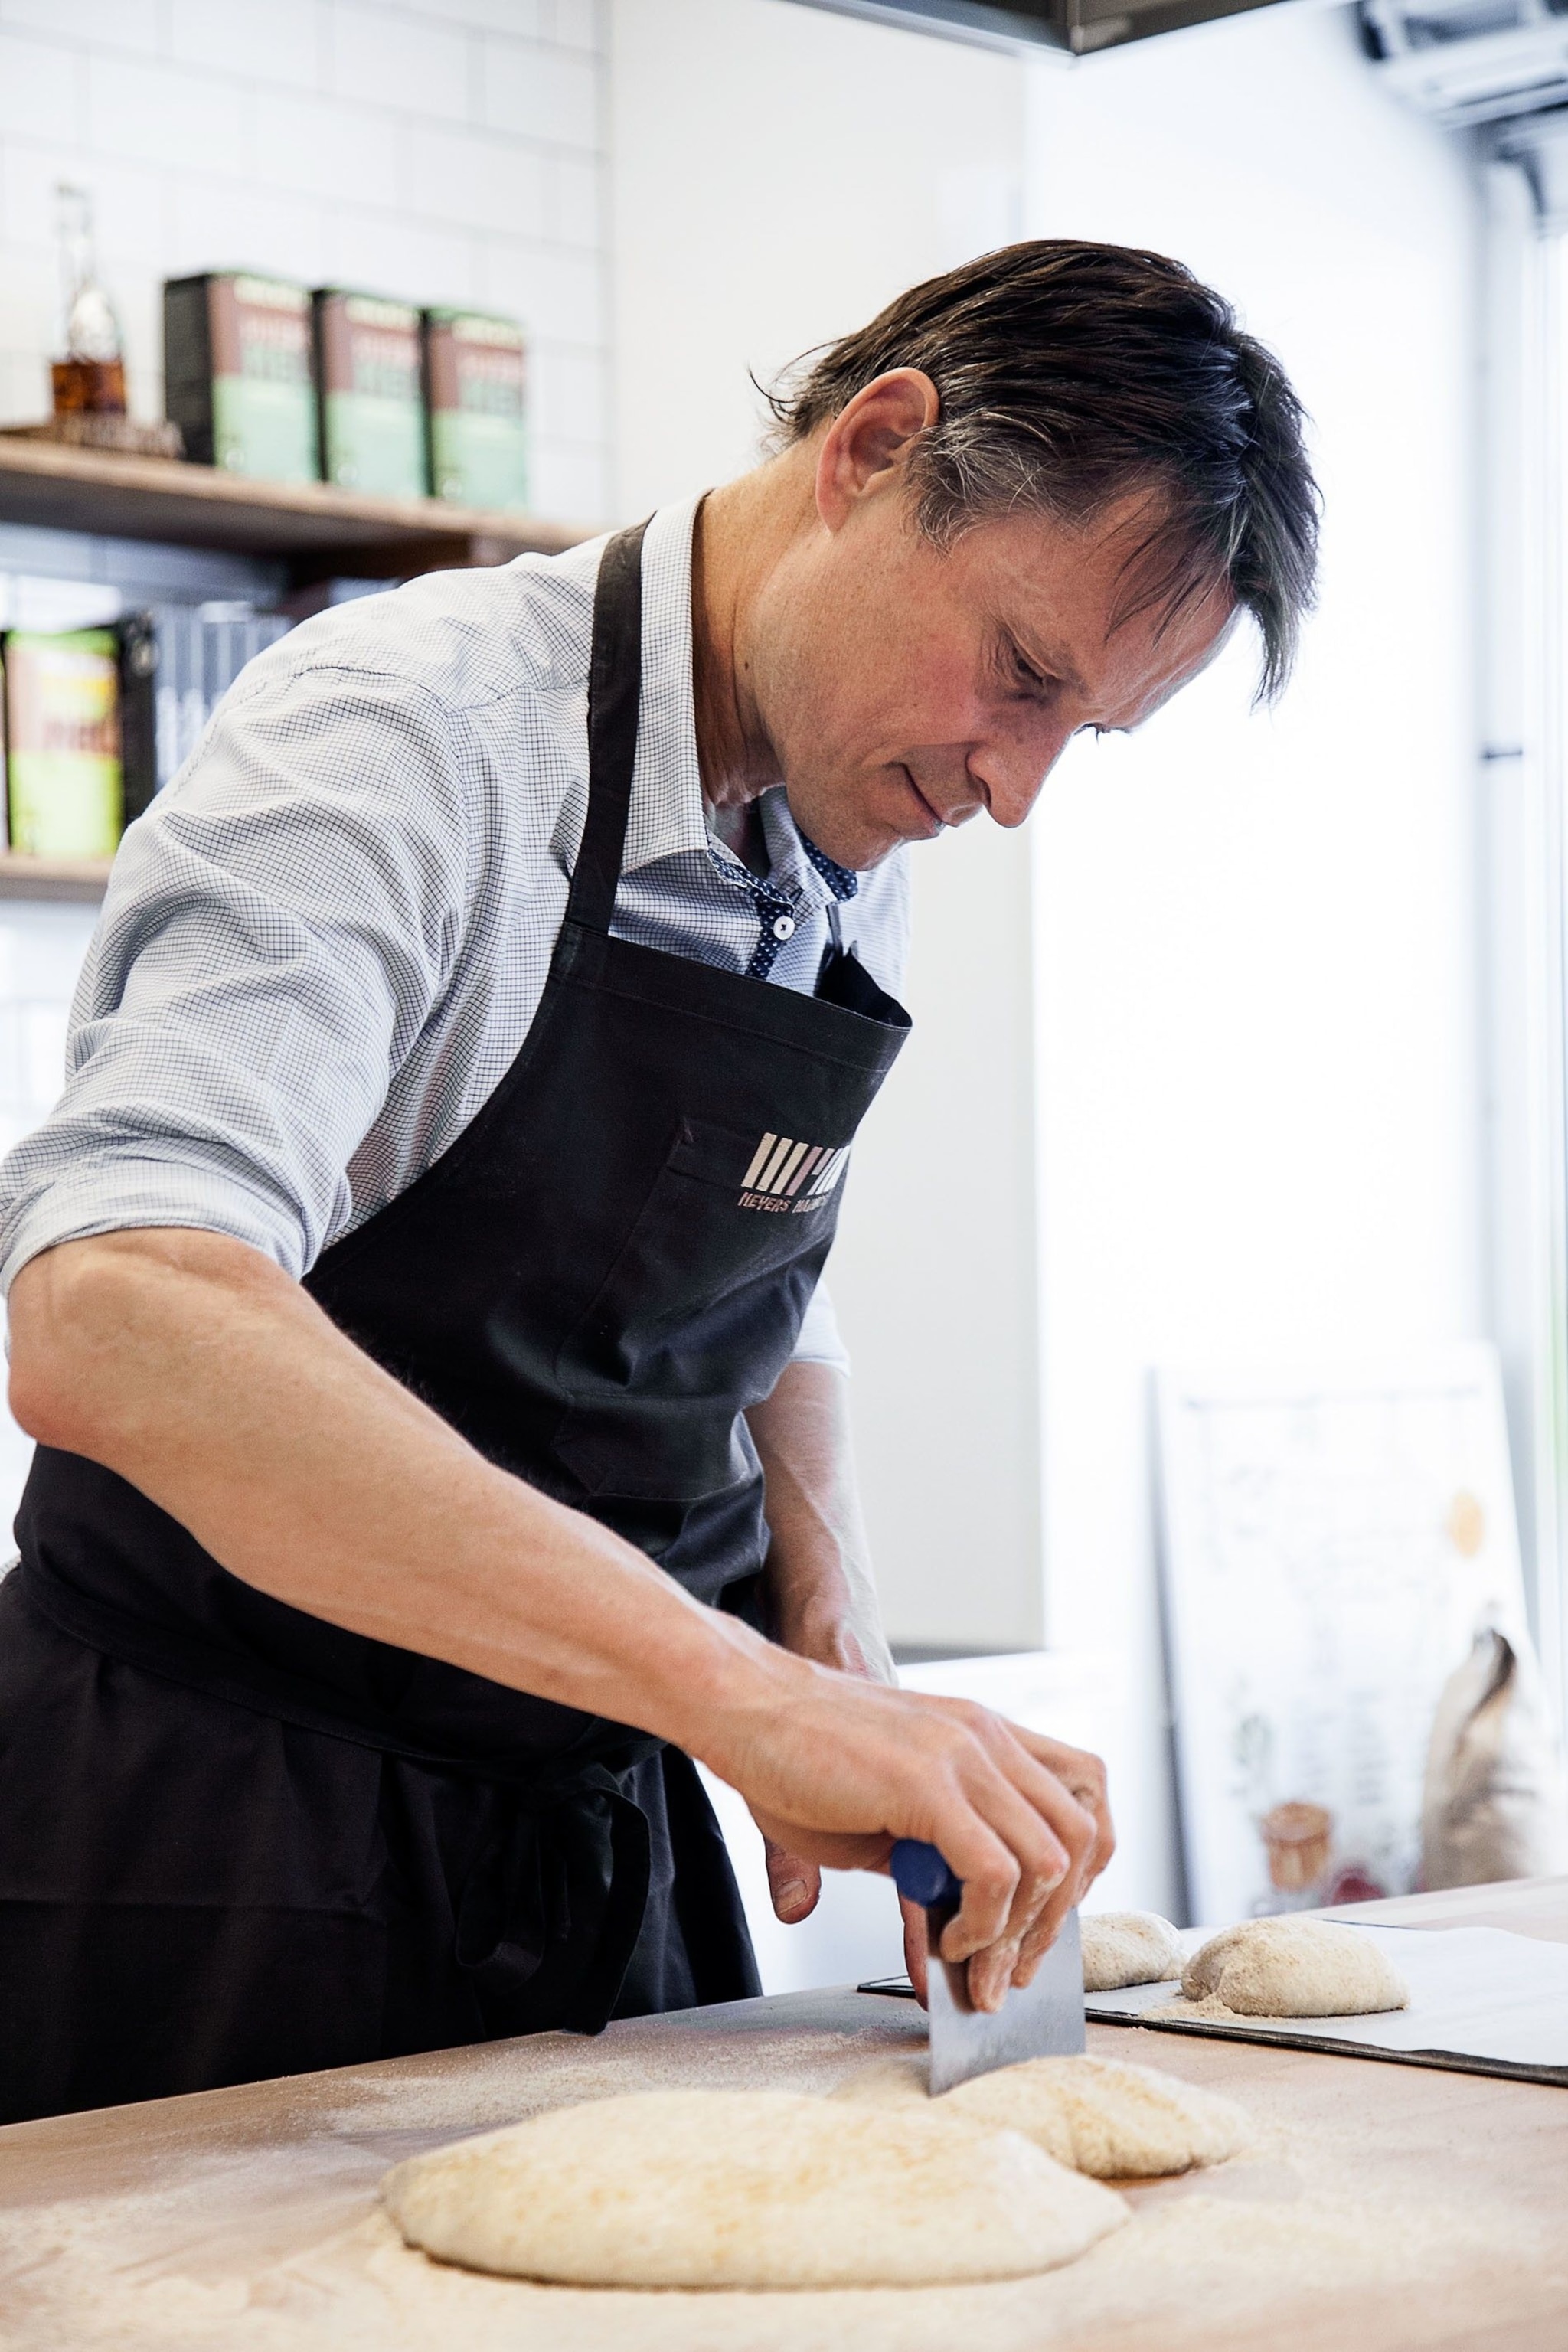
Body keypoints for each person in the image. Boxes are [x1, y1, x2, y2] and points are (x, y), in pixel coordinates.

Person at [0, 240, 1318, 2124]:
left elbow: (752, 1269)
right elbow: (113, 1305)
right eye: (1020, 676)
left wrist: (830, 1615)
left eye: (1077, 735)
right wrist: (748, 1702)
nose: (1014, 788)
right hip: (215, 1832)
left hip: (596, 1819)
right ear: (874, 451)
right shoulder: (406, 734)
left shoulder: (854, 799)